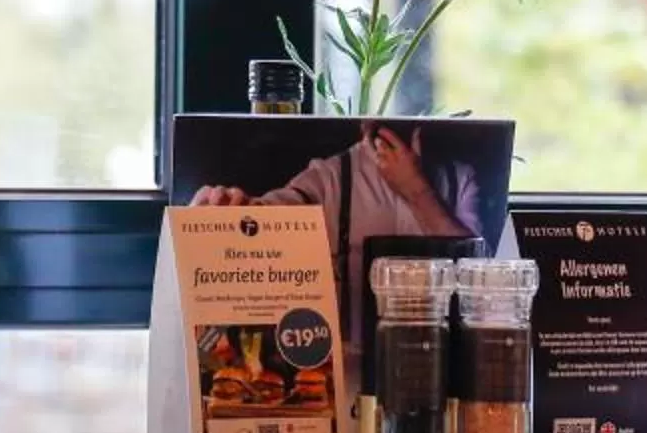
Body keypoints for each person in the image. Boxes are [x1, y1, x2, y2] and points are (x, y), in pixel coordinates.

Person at [190, 125, 484, 396]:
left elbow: (478, 278)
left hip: (438, 378)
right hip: (350, 387)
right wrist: (230, 209)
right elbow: (274, 210)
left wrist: (418, 192)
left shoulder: (459, 178)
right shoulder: (331, 176)